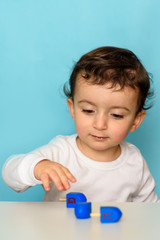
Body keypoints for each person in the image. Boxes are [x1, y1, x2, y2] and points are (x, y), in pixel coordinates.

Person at [2, 46, 158, 202]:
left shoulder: (134, 161)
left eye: (116, 115)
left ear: (135, 121)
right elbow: (9, 173)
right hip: (58, 227)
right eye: (89, 111)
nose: (100, 124)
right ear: (73, 109)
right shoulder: (61, 152)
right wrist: (37, 167)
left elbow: (151, 212)